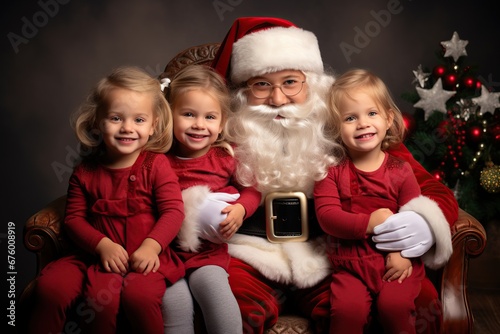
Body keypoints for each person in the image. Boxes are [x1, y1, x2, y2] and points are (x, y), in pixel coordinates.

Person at [210, 17, 457, 333]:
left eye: (290, 82)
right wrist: (202, 209)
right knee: (231, 311)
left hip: (332, 258)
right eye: (261, 84)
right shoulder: (220, 129)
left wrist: (423, 221)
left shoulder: (344, 123)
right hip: (249, 255)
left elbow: (430, 190)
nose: (277, 99)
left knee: (395, 307)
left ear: (311, 83)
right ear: (243, 91)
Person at [28, 66, 186, 334]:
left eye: (138, 120)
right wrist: (101, 245)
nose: (127, 128)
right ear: (98, 122)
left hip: (145, 256)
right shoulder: (86, 171)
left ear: (153, 125)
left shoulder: (155, 164)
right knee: (50, 287)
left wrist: (152, 246)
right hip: (94, 253)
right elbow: (74, 219)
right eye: (115, 118)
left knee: (134, 297)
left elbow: (173, 211)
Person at [314, 68, 448, 333]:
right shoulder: (329, 170)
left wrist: (403, 254)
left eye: (371, 113)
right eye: (350, 118)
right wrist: (368, 223)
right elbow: (327, 217)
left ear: (388, 119)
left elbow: (412, 216)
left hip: (395, 263)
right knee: (346, 313)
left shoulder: (400, 170)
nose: (363, 123)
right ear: (336, 129)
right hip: (350, 265)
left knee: (394, 309)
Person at [160, 64, 261, 334]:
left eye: (209, 117)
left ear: (222, 123)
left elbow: (253, 189)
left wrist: (240, 209)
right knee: (175, 304)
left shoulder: (225, 156)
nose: (199, 125)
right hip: (164, 255)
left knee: (217, 296)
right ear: (170, 116)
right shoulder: (158, 160)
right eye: (188, 114)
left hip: (207, 255)